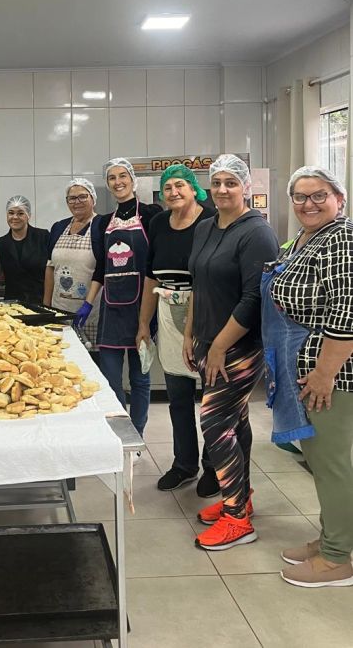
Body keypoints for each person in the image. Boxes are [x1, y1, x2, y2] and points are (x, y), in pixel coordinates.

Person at [262, 167, 353, 588]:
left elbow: (347, 311)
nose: (308, 204)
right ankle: (334, 536)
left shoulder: (341, 238)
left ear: (339, 198)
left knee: (331, 463)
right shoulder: (307, 238)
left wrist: (324, 374)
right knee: (318, 459)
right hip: (304, 369)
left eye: (319, 195)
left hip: (332, 375)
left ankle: (338, 559)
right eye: (300, 196)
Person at [185, 154, 278, 551]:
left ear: (246, 187)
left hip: (239, 345)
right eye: (217, 182)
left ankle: (237, 519)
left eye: (231, 183)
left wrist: (220, 345)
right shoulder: (206, 227)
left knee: (214, 422)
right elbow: (198, 284)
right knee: (235, 420)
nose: (222, 189)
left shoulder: (256, 232)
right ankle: (240, 497)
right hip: (207, 340)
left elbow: (254, 297)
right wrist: (190, 334)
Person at [137, 165, 217, 492]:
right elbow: (150, 276)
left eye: (180, 185)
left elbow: (210, 277)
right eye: (167, 187)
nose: (173, 192)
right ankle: (184, 464)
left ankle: (214, 467)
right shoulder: (158, 223)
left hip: (208, 313)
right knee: (178, 396)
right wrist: (144, 322)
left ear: (194, 188)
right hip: (169, 312)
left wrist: (192, 331)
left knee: (212, 398)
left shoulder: (210, 220)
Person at [80, 159, 161, 436]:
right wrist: (88, 303)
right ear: (107, 184)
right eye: (112, 177)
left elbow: (155, 264)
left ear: (132, 179)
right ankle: (119, 432)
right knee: (110, 378)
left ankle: (137, 432)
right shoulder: (103, 222)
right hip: (111, 308)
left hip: (142, 308)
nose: (118, 182)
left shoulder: (151, 214)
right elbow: (101, 268)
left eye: (123, 176)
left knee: (140, 379)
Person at [43, 178, 103, 351]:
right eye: (72, 198)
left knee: (91, 361)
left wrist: (88, 304)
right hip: (59, 312)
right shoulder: (58, 227)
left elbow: (103, 269)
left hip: (91, 312)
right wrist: (46, 307)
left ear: (93, 198)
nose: (77, 202)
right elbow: (50, 267)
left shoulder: (101, 225)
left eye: (83, 196)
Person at [0, 195, 50, 306]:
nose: (15, 217)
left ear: (28, 215)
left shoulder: (43, 237)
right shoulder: (1, 243)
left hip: (39, 302)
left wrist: (47, 303)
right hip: (12, 305)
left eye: (20, 213)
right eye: (11, 213)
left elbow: (51, 271)